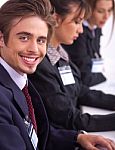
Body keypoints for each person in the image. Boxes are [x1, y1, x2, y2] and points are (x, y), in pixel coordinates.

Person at [1, 0, 114, 150]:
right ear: (1, 39)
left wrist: (77, 138)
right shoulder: (9, 90)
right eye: (24, 37)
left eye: (41, 40)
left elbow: (34, 133)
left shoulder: (20, 79)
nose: (34, 49)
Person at [29, 0, 115, 135]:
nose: (81, 30)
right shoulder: (41, 66)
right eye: (76, 22)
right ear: (56, 19)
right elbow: (67, 117)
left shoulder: (60, 54)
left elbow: (80, 91)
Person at [62, 0, 115, 87]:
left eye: (109, 10)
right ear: (88, 8)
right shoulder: (76, 35)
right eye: (100, 11)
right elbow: (85, 76)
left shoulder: (96, 27)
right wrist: (104, 75)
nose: (106, 16)